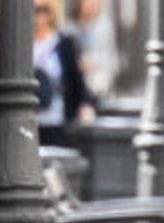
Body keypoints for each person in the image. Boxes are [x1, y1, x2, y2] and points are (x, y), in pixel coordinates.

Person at [33, 0, 95, 146]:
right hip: (29, 118)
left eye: (42, 10)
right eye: (33, 10)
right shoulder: (22, 44)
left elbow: (76, 78)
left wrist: (84, 104)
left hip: (57, 117)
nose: (37, 16)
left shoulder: (63, 43)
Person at [68, 0, 119, 100]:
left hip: (98, 80)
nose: (91, 6)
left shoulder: (104, 26)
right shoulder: (70, 27)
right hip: (74, 80)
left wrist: (92, 65)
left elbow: (110, 58)